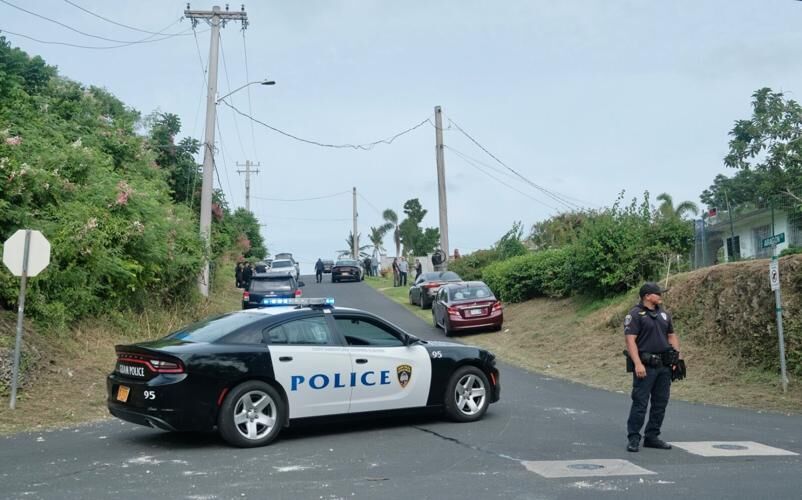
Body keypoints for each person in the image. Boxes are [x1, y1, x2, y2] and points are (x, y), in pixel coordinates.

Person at [624, 282, 682, 453]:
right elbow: (630, 341)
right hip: (646, 365)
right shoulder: (635, 314)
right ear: (647, 296)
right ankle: (634, 438)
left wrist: (677, 358)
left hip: (664, 366)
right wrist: (638, 363)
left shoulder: (664, 315)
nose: (661, 296)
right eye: (658, 294)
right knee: (640, 402)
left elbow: (671, 336)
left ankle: (652, 436)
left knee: (660, 402)